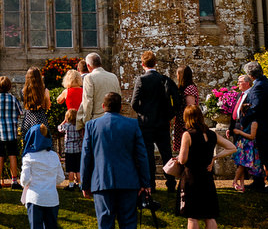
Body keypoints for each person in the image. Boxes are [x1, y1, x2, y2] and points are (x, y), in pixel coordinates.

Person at [81, 92, 152, 229]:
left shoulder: (92, 125)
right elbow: (142, 155)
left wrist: (85, 183)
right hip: (128, 181)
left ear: (103, 107)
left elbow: (86, 156)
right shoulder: (132, 124)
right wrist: (145, 182)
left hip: (101, 180)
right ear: (121, 107)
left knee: (105, 225)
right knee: (128, 225)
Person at [177, 104, 235, 229]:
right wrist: (214, 158)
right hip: (207, 178)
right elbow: (232, 147)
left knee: (193, 217)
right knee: (210, 216)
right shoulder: (211, 134)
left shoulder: (187, 135)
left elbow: (182, 160)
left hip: (191, 177)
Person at [21, 124, 67, 229]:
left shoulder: (29, 157)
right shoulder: (54, 156)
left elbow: (24, 180)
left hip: (34, 198)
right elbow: (61, 178)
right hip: (52, 199)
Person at [131, 51, 176, 192]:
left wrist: (142, 112)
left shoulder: (141, 80)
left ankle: (151, 184)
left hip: (146, 123)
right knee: (166, 153)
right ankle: (170, 182)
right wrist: (169, 115)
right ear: (155, 63)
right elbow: (176, 100)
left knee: (148, 154)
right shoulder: (164, 79)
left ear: (142, 64)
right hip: (162, 122)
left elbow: (133, 102)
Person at [244, 61, 268, 192]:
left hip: (263, 126)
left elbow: (256, 107)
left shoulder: (259, 86)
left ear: (250, 75)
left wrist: (245, 117)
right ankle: (259, 181)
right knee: (262, 156)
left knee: (267, 156)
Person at [0, 75, 24, 188]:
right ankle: (14, 181)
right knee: (12, 155)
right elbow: (20, 113)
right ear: (9, 87)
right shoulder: (13, 99)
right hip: (11, 131)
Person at [230, 74, 261, 192]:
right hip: (238, 128)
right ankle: (241, 184)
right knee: (240, 162)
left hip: (245, 130)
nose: (238, 83)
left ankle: (236, 182)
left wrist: (241, 128)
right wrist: (231, 127)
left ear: (247, 83)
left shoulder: (251, 94)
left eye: (240, 81)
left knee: (242, 162)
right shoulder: (239, 95)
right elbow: (234, 113)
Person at [80, 53, 121, 127]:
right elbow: (119, 97)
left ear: (88, 66)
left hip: (97, 120)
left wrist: (86, 121)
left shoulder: (89, 77)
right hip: (115, 119)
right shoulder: (113, 76)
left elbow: (88, 101)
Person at [171, 66, 200, 156]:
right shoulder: (185, 88)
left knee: (187, 150)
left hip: (187, 123)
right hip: (182, 122)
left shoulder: (189, 88)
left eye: (178, 75)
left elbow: (190, 108)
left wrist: (188, 126)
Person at [21, 67, 52, 140]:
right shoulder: (44, 90)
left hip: (28, 119)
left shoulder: (23, 91)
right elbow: (47, 106)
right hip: (41, 119)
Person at [58, 108, 82, 190]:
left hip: (69, 151)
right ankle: (80, 185)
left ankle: (71, 185)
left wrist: (64, 121)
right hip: (78, 150)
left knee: (71, 169)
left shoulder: (66, 126)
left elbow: (59, 128)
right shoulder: (78, 126)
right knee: (78, 169)